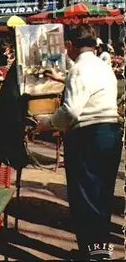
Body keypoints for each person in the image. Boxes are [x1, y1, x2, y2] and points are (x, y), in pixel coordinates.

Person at [38, 25, 122, 260]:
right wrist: (61, 78)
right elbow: (88, 85)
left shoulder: (79, 70)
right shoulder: (103, 67)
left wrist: (47, 123)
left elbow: (71, 111)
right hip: (110, 134)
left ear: (70, 46)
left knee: (85, 199)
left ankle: (91, 256)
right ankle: (98, 252)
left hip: (88, 137)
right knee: (102, 199)